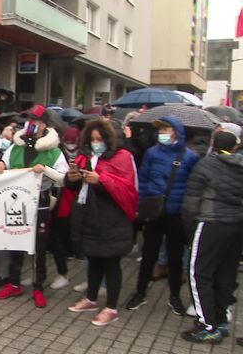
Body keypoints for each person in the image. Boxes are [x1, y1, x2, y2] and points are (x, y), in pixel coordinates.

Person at [0, 105, 69, 307]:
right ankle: (14, 283)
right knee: (15, 243)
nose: (30, 124)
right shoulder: (16, 146)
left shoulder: (54, 150)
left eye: (34, 121)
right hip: (17, 202)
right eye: (28, 120)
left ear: (44, 125)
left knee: (39, 247)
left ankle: (38, 287)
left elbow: (65, 179)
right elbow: (2, 163)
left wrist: (46, 170)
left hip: (40, 202)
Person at [65, 119, 138, 326]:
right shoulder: (85, 156)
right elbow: (73, 185)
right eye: (93, 139)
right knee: (93, 260)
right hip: (88, 216)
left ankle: (112, 307)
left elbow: (128, 189)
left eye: (100, 139)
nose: (96, 143)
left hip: (112, 219)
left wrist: (102, 181)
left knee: (111, 263)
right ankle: (91, 298)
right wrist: (72, 178)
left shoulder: (123, 157)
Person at [126, 117, 199, 315]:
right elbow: (143, 179)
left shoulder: (190, 157)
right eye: (160, 130)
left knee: (175, 258)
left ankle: (174, 296)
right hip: (153, 212)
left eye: (166, 129)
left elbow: (193, 188)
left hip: (176, 214)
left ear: (176, 131)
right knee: (148, 255)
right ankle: (140, 292)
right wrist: (140, 207)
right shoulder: (152, 152)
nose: (162, 133)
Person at [180, 131, 243, 344]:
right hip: (236, 225)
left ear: (213, 145)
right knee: (226, 274)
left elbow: (191, 202)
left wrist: (190, 231)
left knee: (199, 274)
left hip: (211, 223)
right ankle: (221, 319)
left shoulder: (205, 165)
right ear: (235, 147)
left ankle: (208, 325)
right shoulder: (240, 165)